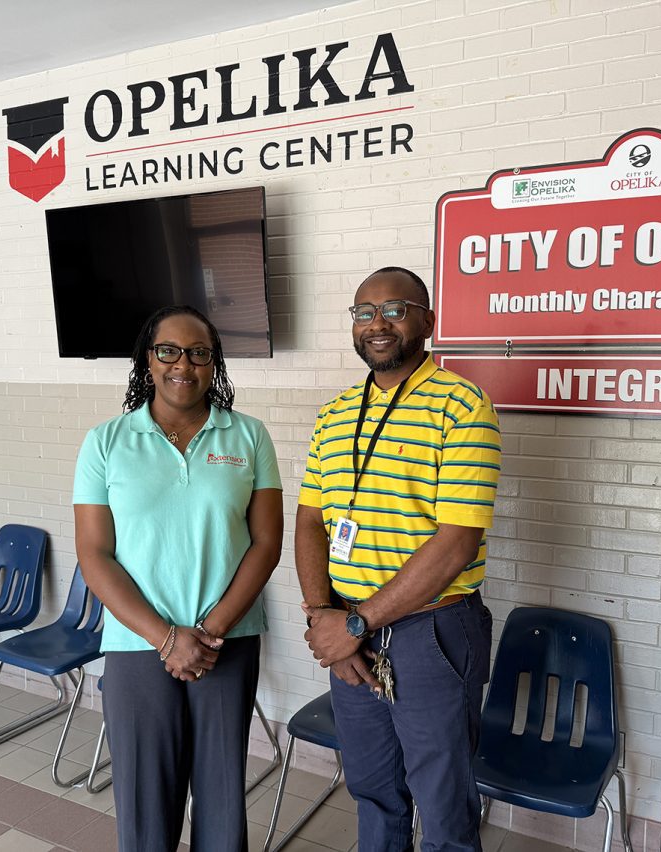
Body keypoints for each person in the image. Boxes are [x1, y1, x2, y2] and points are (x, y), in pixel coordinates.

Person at [296, 267, 502, 852]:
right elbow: (312, 519)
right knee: (373, 789)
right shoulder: (335, 414)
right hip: (345, 628)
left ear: (428, 322)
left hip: (430, 632)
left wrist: (357, 623)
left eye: (395, 309)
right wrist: (323, 618)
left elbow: (457, 540)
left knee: (442, 804)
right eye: (364, 312)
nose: (378, 323)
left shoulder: (463, 405)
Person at [73, 305, 283, 852]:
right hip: (137, 641)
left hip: (227, 641)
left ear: (215, 365)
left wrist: (207, 632)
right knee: (145, 799)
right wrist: (166, 637)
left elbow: (267, 544)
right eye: (168, 350)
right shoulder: (105, 442)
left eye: (199, 353)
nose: (182, 364)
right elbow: (95, 555)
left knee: (220, 792)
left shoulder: (249, 437)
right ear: (148, 359)